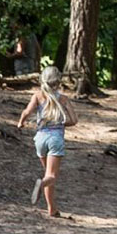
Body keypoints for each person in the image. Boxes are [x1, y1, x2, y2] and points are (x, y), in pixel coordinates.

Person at [17, 66, 78, 217]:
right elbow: (74, 120)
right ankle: (41, 184)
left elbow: (26, 112)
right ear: (58, 81)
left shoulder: (37, 96)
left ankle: (52, 209)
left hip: (40, 138)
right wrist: (61, 124)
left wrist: (21, 122)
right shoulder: (63, 99)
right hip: (55, 139)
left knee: (48, 174)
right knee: (51, 176)